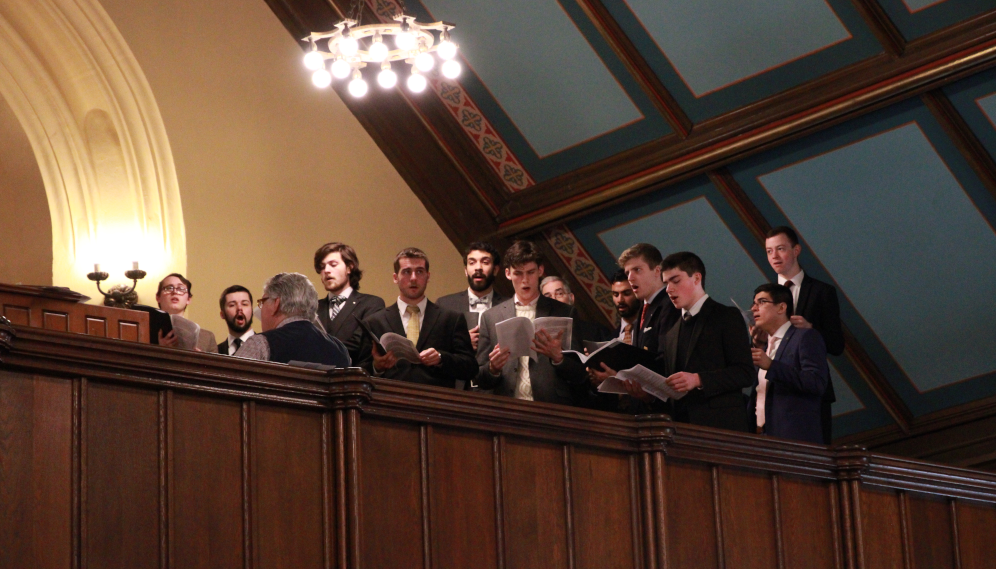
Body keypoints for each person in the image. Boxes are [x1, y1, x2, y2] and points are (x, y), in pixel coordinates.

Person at [474, 241, 588, 406]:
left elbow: (580, 374)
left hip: (551, 407)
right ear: (507, 273)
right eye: (518, 273)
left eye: (531, 272)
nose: (525, 280)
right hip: (507, 407)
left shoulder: (564, 312)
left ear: (540, 271)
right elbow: (479, 376)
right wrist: (493, 368)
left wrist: (558, 358)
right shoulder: (490, 317)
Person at [656, 252, 754, 431]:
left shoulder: (726, 316)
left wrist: (698, 379)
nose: (669, 289)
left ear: (696, 278)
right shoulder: (671, 332)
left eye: (675, 281)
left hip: (721, 427)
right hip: (680, 429)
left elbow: (745, 372)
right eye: (666, 283)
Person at [765, 226, 843, 444]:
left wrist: (811, 329)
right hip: (777, 393)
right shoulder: (766, 295)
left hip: (813, 393)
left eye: (780, 249)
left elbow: (837, 345)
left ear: (796, 250)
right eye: (769, 251)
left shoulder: (822, 292)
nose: (775, 256)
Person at [358, 248, 477, 388]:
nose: (413, 278)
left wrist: (441, 358)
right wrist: (376, 366)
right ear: (395, 278)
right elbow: (360, 370)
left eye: (419, 271)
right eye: (407, 271)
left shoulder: (451, 319)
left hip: (436, 403)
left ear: (428, 276)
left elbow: (471, 368)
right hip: (390, 401)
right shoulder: (375, 322)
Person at [748, 283, 829, 444]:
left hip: (792, 440)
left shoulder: (805, 337)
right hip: (759, 438)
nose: (754, 308)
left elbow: (816, 382)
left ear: (781, 307)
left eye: (762, 302)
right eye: (754, 303)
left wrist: (771, 365)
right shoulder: (763, 345)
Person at [589, 243, 677, 388]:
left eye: (637, 270)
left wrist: (621, 378)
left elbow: (665, 363)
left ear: (657, 270)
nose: (630, 277)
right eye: (628, 272)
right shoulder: (644, 308)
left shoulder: (669, 305)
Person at [235, 272, 350, 367]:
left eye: (263, 302)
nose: (261, 308)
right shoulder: (340, 350)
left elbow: (227, 386)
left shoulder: (261, 343)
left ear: (276, 304)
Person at [313, 242, 385, 364]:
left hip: (351, 378)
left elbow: (360, 345)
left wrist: (317, 350)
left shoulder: (371, 304)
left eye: (333, 265)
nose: (326, 270)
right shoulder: (313, 308)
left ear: (349, 267)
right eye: (322, 266)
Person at [435, 242, 506, 352]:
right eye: (472, 263)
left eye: (485, 262)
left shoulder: (509, 305)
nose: (478, 268)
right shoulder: (444, 305)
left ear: (495, 270)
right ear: (465, 270)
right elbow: (434, 346)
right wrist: (460, 343)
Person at [542, 275, 614, 344]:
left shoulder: (597, 331)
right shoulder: (539, 339)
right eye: (548, 297)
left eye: (559, 294)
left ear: (571, 298)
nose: (554, 299)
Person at [155, 273, 217, 352]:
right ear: (158, 297)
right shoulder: (145, 330)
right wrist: (160, 350)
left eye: (181, 289)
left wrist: (200, 361)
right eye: (169, 288)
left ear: (188, 299)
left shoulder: (207, 338)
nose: (174, 291)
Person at [217, 285, 255, 355]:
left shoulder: (267, 347)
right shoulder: (215, 352)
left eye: (244, 304)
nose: (239, 308)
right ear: (222, 314)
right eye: (232, 305)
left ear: (252, 310)